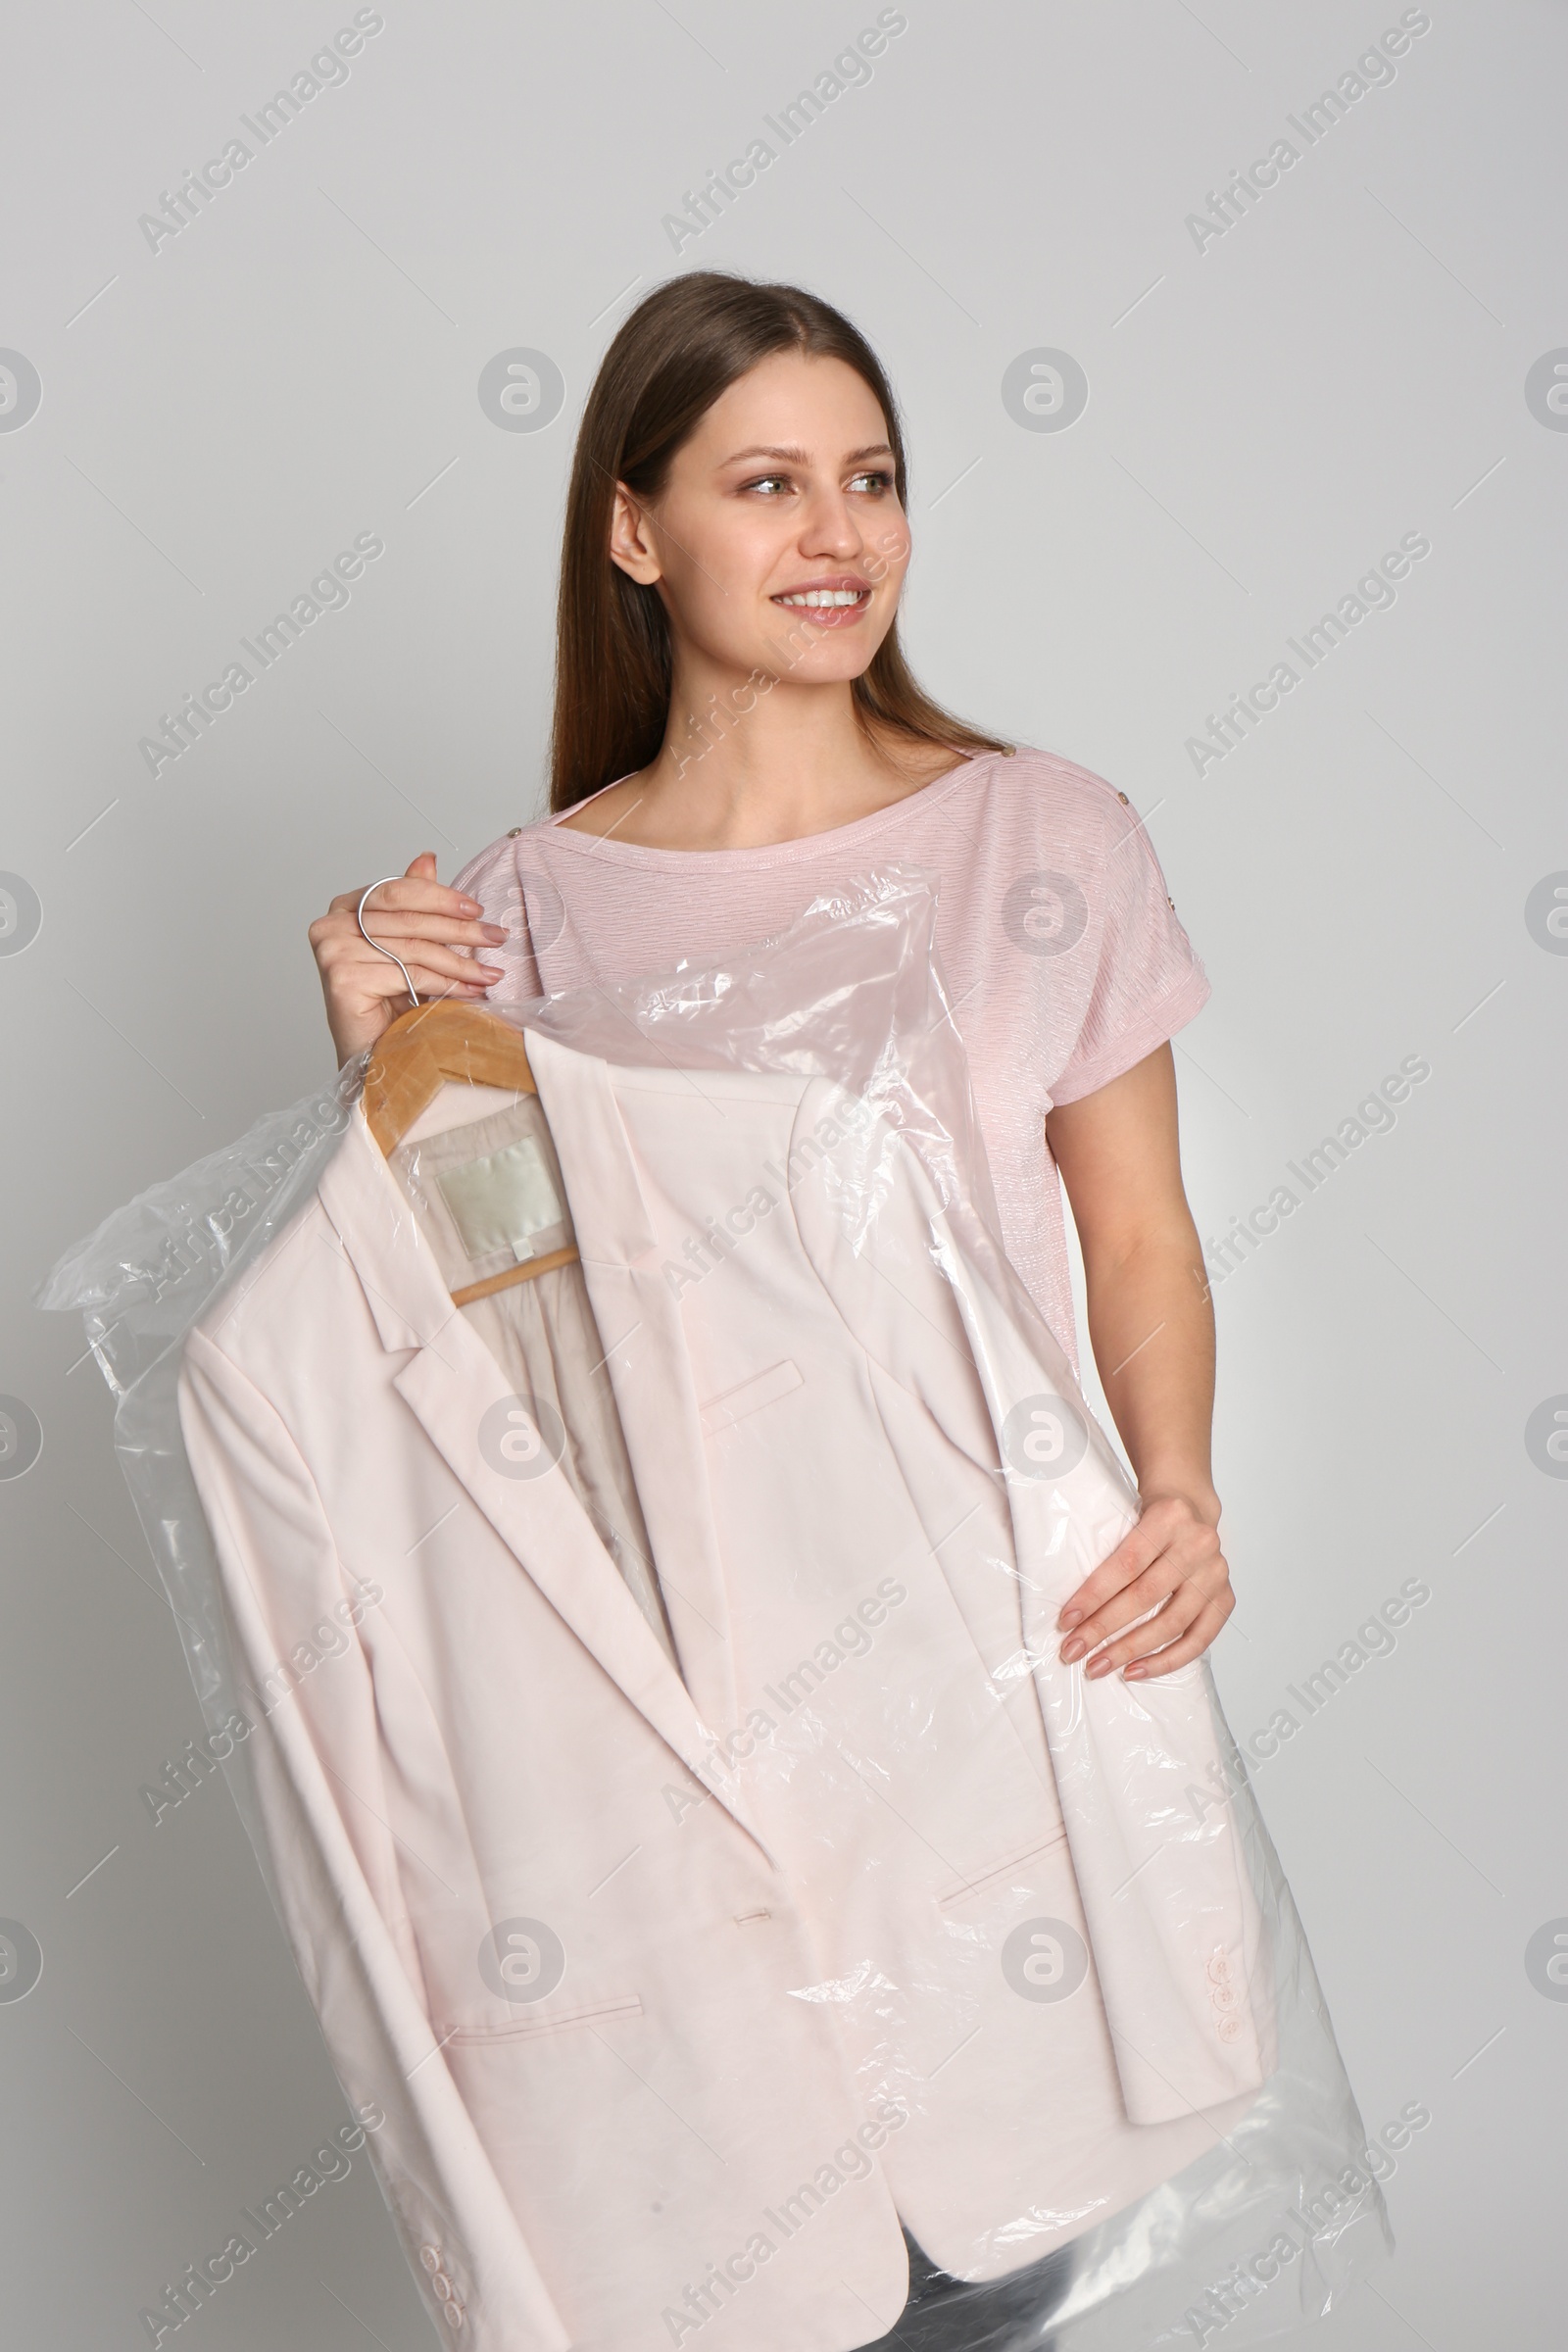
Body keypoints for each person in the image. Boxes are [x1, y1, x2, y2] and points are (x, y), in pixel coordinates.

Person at [307, 270, 1234, 2344]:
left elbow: (1137, 1233)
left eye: (871, 481)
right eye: (766, 484)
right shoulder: (524, 906)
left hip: (993, 1669)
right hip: (671, 1720)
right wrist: (368, 1065)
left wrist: (1171, 1490)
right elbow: (473, 1353)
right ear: (634, 531)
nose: (838, 537)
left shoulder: (1039, 834)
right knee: (733, 2275)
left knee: (989, 2249)